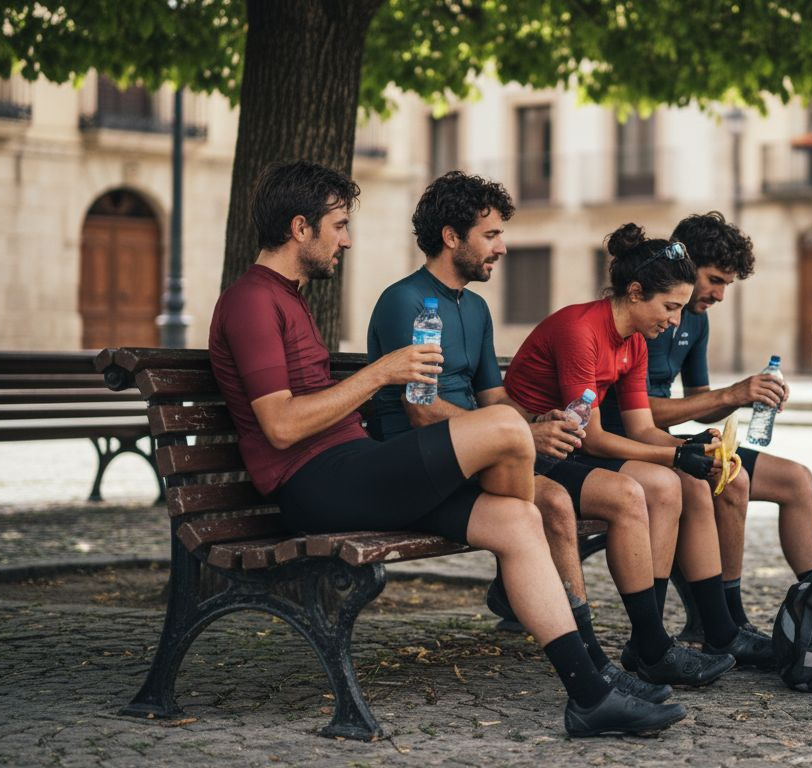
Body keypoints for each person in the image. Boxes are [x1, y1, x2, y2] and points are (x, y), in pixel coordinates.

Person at [207, 160, 684, 737]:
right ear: (300, 226)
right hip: (312, 482)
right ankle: (560, 613)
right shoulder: (251, 300)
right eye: (338, 226)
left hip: (354, 467)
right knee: (511, 436)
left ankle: (590, 695)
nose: (348, 239)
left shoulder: (289, 296)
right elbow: (280, 427)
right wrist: (382, 372)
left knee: (515, 519)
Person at [369, 172, 733, 691]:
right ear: (451, 237)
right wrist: (522, 435)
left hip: (483, 448)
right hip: (419, 458)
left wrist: (536, 423)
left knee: (630, 495)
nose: (503, 246)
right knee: (558, 505)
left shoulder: (473, 306)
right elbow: (421, 413)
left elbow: (496, 400)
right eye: (491, 235)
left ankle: (648, 648)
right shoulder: (406, 302)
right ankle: (593, 666)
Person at [503, 223, 775, 676]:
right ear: (634, 293)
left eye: (680, 308)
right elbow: (590, 437)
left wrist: (691, 447)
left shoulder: (634, 341)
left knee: (679, 482)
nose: (674, 320)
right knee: (659, 483)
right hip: (534, 450)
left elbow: (642, 428)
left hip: (570, 446)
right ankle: (652, 644)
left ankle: (666, 640)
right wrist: (674, 455)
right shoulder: (581, 330)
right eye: (669, 307)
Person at [599, 212, 812, 639]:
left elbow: (697, 404)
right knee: (731, 480)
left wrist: (750, 393)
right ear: (686, 266)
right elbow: (637, 413)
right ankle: (723, 618)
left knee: (797, 480)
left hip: (668, 441)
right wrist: (728, 395)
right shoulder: (644, 312)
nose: (721, 295)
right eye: (716, 280)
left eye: (728, 284)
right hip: (628, 443)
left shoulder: (696, 321)